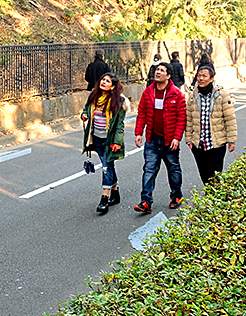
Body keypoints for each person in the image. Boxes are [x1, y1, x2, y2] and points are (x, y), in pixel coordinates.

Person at [133, 62, 187, 213]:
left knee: (173, 169)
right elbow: (142, 113)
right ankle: (145, 201)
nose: (158, 72)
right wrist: (138, 133)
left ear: (168, 76)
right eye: (157, 69)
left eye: (162, 70)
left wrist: (177, 137)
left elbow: (181, 118)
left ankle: (176, 196)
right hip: (152, 140)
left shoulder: (176, 94)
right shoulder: (148, 92)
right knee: (149, 170)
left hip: (169, 141)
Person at [80, 72, 128, 215]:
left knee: (106, 167)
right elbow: (86, 108)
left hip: (109, 140)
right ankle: (115, 192)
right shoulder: (93, 97)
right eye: (103, 80)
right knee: (109, 166)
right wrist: (84, 115)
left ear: (113, 86)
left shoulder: (118, 101)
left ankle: (104, 198)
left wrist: (117, 142)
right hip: (96, 138)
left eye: (107, 81)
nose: (104, 82)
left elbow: (119, 124)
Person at [184, 65, 237, 184]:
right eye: (199, 76)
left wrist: (231, 140)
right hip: (198, 144)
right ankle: (210, 198)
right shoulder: (193, 96)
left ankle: (213, 199)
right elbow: (189, 119)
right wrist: (189, 140)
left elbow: (230, 119)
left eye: (204, 76)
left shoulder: (222, 95)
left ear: (212, 78)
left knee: (215, 176)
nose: (201, 79)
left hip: (217, 143)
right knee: (204, 175)